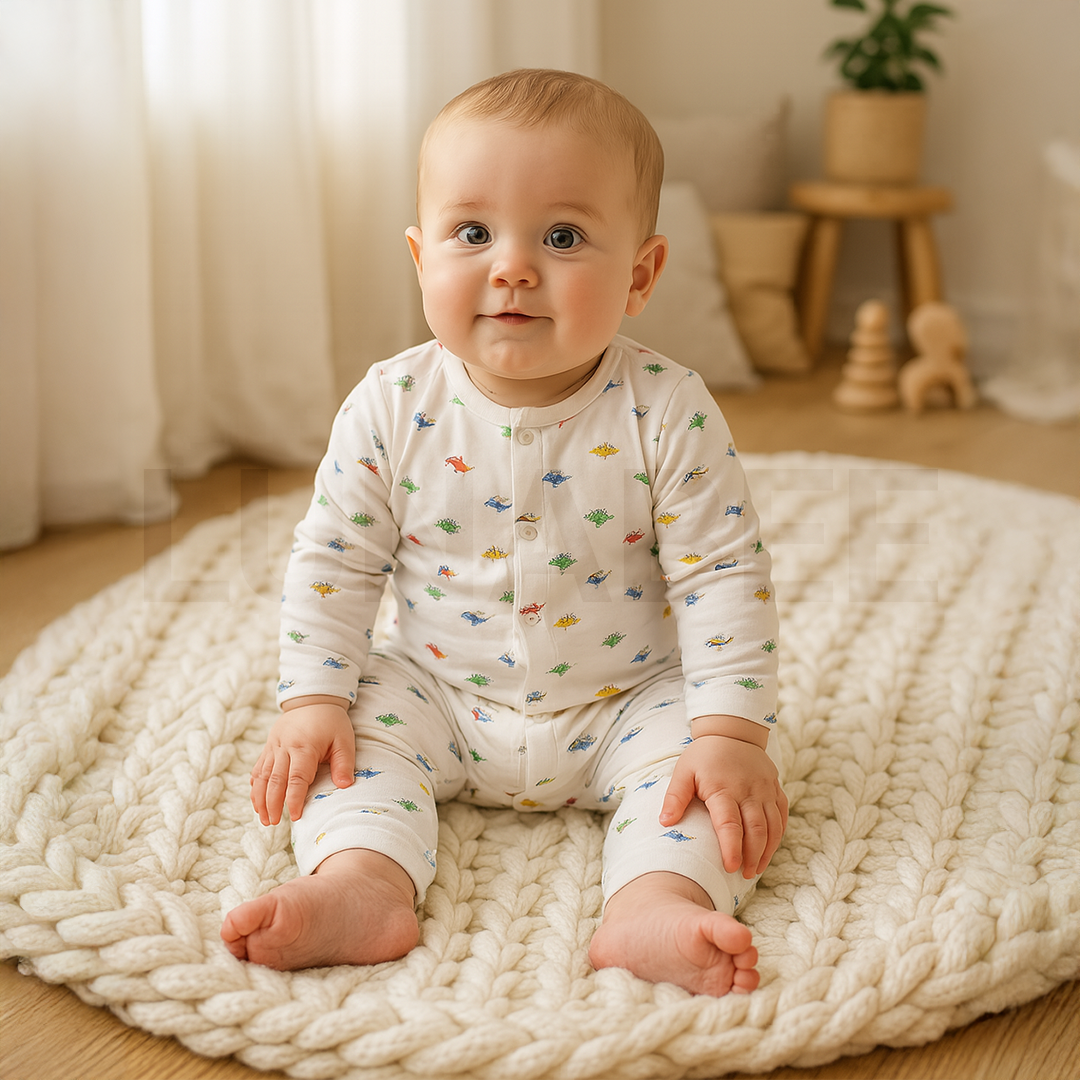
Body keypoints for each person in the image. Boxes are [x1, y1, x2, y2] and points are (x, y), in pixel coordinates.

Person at [221, 69, 787, 997]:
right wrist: (310, 700)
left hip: (625, 701)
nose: (512, 267)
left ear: (641, 273)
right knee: (348, 744)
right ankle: (362, 883)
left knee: (702, 781)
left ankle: (653, 901)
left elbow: (722, 574)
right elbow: (334, 561)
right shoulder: (392, 405)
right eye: (472, 234)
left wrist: (730, 732)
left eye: (562, 237)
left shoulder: (669, 410)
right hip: (441, 691)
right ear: (420, 257)